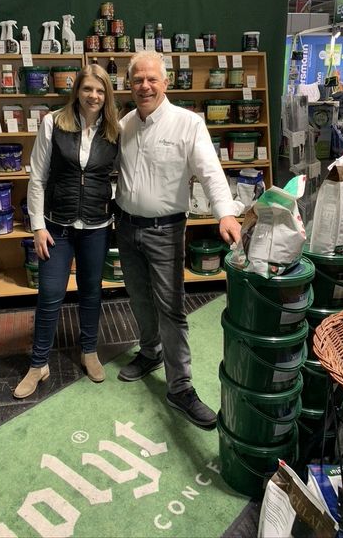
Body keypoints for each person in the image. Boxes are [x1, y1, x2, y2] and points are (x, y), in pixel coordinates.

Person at [115, 50, 241, 429]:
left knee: (170, 308)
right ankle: (150, 351)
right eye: (138, 80)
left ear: (166, 82)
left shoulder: (188, 124)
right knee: (138, 297)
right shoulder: (124, 125)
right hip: (126, 227)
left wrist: (225, 213)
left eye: (152, 79)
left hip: (165, 231)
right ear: (129, 85)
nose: (145, 86)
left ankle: (180, 387)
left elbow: (210, 171)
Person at [14, 64, 119, 398]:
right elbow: (37, 178)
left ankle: (89, 351)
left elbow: (120, 175)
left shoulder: (114, 129)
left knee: (91, 292)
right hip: (56, 227)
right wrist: (37, 226)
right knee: (49, 294)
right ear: (77, 91)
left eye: (100, 91)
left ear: (107, 95)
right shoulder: (53, 123)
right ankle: (38, 364)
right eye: (88, 89)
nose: (93, 96)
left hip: (96, 227)